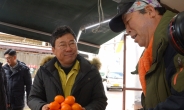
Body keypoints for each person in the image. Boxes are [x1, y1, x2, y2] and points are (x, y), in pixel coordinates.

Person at [109, 0, 184, 110]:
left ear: (150, 11)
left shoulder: (179, 37)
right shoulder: (151, 56)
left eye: (128, 21)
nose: (127, 31)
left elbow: (181, 101)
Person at [28, 26, 107, 110]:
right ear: (53, 50)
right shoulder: (44, 71)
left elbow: (100, 100)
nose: (69, 49)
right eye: (62, 45)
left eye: (72, 43)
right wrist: (42, 107)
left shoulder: (91, 71)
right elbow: (33, 98)